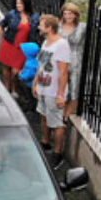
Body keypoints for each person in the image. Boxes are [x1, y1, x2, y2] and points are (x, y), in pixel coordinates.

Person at [32, 14, 71, 169]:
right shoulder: (46, 42)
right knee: (43, 116)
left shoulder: (61, 45)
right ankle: (45, 142)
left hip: (53, 91)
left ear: (49, 27)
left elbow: (63, 72)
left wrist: (60, 95)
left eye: (41, 25)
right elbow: (41, 65)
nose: (39, 27)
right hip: (42, 88)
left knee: (57, 122)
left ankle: (57, 153)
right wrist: (35, 83)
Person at [0, 0, 40, 96]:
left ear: (26, 4)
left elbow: (37, 31)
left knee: (15, 71)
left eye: (20, 3)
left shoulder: (34, 18)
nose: (18, 5)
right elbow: (2, 23)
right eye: (17, 3)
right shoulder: (12, 14)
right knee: (6, 68)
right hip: (9, 44)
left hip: (22, 48)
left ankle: (14, 89)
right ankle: (7, 87)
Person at [60, 2, 87, 122]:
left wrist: (91, 11)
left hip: (75, 60)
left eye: (70, 14)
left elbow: (99, 25)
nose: (68, 16)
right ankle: (60, 113)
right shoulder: (58, 25)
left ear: (75, 15)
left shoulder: (82, 27)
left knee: (74, 88)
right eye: (65, 13)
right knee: (61, 86)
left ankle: (67, 115)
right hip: (60, 60)